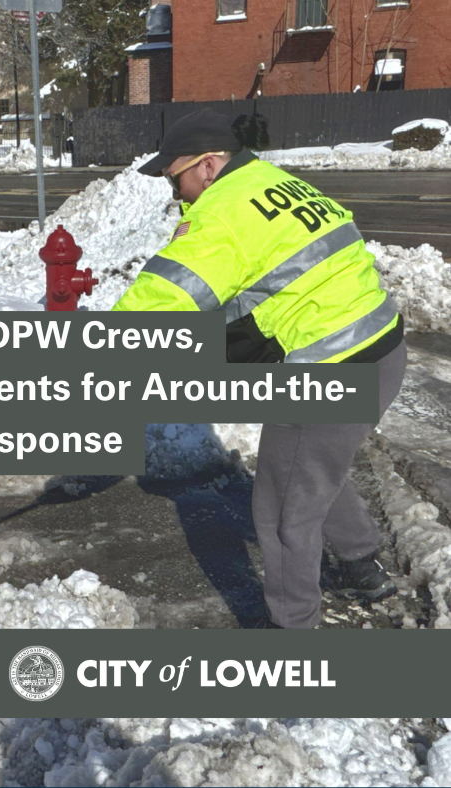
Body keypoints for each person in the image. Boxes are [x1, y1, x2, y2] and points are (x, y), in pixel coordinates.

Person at [113, 108, 407, 629]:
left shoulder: (221, 212)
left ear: (207, 165)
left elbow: (161, 302)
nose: (176, 195)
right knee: (309, 469)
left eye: (175, 179)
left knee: (283, 511)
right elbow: (273, 276)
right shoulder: (275, 182)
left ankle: (292, 631)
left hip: (329, 369)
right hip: (382, 348)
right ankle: (362, 562)